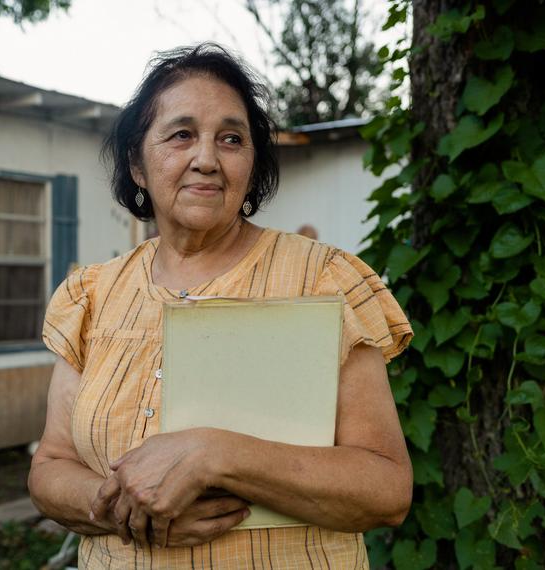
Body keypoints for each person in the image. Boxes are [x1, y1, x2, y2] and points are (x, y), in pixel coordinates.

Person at [28, 43, 413, 568]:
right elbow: (51, 465)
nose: (206, 159)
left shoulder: (323, 281)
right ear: (138, 164)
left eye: (231, 139)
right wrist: (123, 508)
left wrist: (219, 454)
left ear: (251, 167)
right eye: (182, 134)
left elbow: (386, 489)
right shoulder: (93, 295)